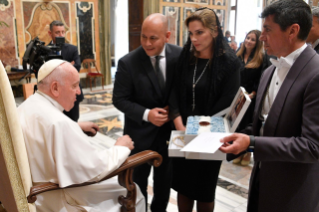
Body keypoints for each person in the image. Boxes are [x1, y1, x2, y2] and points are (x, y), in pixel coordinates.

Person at [220, 1, 319, 211]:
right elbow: (265, 127)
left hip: (291, 192)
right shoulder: (268, 72)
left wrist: (252, 142)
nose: (261, 36)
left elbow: (312, 147)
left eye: (267, 29)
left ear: (293, 30)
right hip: (260, 182)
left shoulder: (315, 74)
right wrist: (228, 136)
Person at [17, 59, 145, 212]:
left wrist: (75, 126)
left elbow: (40, 129)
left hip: (38, 194)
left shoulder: (29, 104)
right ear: (55, 88)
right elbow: (94, 167)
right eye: (74, 85)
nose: (79, 92)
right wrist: (120, 148)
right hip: (60, 199)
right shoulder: (59, 123)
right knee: (133, 192)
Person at [169, 8, 240, 212]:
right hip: (183, 133)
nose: (194, 39)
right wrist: (179, 122)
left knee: (204, 190)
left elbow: (227, 103)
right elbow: (173, 91)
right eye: (191, 33)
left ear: (215, 31)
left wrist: (199, 130)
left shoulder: (229, 63)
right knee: (183, 188)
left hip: (210, 135)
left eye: (199, 32)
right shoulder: (186, 58)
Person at [112, 14, 182, 212]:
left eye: (153, 38)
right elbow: (119, 99)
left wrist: (175, 108)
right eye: (143, 37)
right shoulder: (128, 62)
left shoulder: (180, 56)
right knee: (138, 184)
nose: (147, 43)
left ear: (167, 36)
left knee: (164, 184)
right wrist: (147, 114)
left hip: (168, 135)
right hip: (139, 136)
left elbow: (182, 90)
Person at [232, 30, 271, 166]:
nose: (249, 41)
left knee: (248, 125)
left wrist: (253, 93)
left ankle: (247, 152)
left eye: (253, 39)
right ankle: (238, 150)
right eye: (247, 38)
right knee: (237, 124)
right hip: (237, 97)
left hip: (251, 98)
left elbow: (262, 79)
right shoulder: (238, 54)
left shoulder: (261, 58)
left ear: (257, 42)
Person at [48, 20, 83, 122]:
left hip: (72, 93)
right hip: (54, 94)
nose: (61, 35)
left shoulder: (72, 49)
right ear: (50, 33)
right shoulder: (45, 50)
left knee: (73, 122)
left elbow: (77, 68)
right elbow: (46, 73)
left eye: (63, 32)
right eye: (57, 32)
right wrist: (68, 65)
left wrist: (57, 69)